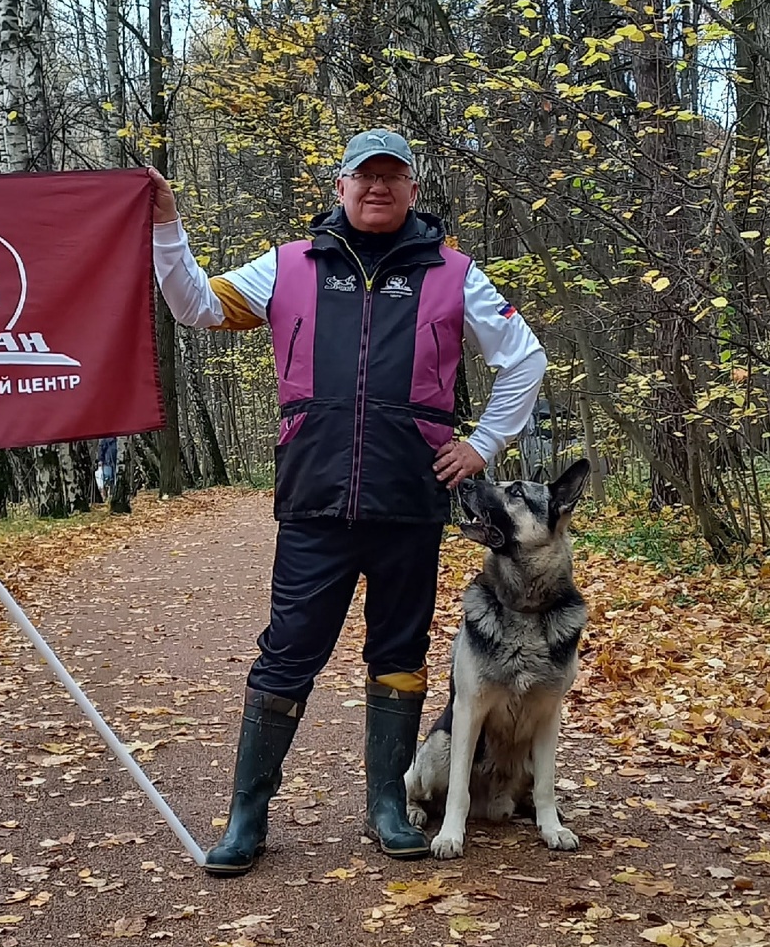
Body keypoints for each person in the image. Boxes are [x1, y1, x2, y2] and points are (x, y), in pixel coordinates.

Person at [149, 129, 547, 877]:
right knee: (287, 654)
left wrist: (482, 444)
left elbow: (524, 359)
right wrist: (167, 225)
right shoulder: (287, 266)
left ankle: (388, 807)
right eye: (364, 177)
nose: (377, 189)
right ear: (340, 187)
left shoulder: (455, 273)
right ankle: (246, 817)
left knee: (396, 653)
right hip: (314, 501)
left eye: (392, 178)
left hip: (409, 500)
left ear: (412, 192)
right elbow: (195, 306)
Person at [97, 436, 118, 501]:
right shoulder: (106, 438)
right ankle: (106, 497)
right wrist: (100, 459)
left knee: (114, 480)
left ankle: (112, 495)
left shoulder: (119, 439)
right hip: (107, 462)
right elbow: (101, 448)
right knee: (107, 480)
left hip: (116, 463)